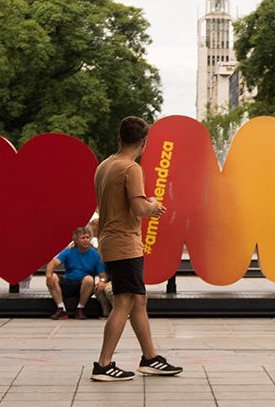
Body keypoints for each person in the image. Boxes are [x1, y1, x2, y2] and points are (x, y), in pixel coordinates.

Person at [91, 116, 183, 382]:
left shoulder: (104, 166)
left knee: (138, 300)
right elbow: (140, 208)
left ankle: (150, 358)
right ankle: (104, 364)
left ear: (120, 137)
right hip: (124, 243)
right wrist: (154, 205)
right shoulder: (131, 169)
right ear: (144, 142)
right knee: (124, 302)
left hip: (110, 240)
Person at [46, 226, 108, 320]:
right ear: (76, 240)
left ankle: (80, 309)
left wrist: (102, 281)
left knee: (89, 279)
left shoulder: (95, 255)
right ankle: (61, 309)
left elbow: (103, 275)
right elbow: (52, 263)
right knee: (52, 276)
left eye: (87, 237)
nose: (86, 240)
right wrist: (48, 276)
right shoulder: (69, 251)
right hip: (68, 283)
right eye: (83, 238)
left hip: (84, 285)